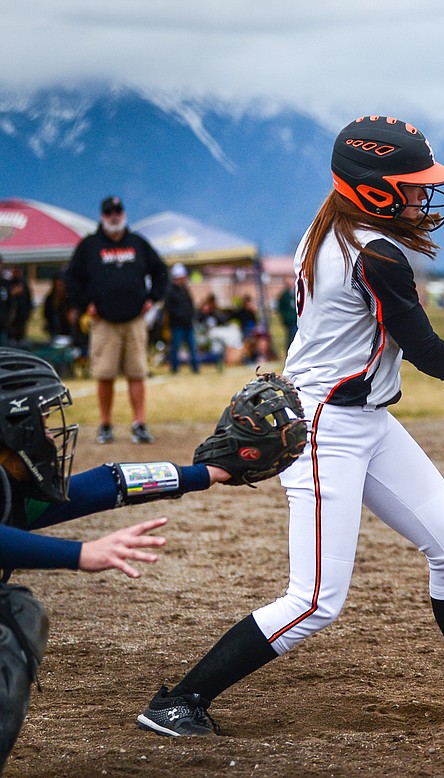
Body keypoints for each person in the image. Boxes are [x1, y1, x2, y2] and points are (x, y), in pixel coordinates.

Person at [136, 114, 444, 738]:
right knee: (314, 600)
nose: (421, 195)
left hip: (367, 419)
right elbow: (426, 350)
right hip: (325, 427)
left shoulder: (326, 224)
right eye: (410, 184)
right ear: (373, 189)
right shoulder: (376, 253)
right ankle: (180, 700)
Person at [0, 347, 235, 770]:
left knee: (15, 610)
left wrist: (203, 475)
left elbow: (98, 487)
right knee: (13, 619)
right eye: (40, 422)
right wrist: (81, 554)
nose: (52, 435)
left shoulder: (4, 486)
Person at [63, 196, 169, 445]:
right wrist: (84, 303)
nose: (114, 216)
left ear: (124, 214)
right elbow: (70, 278)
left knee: (137, 372)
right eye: (109, 212)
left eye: (118, 211)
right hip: (104, 321)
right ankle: (105, 424)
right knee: (105, 373)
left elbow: (161, 271)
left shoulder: (138, 243)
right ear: (102, 216)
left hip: (134, 320)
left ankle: (139, 424)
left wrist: (153, 298)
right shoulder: (89, 245)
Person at [163, 263, 200, 374]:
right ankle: (174, 368)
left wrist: (191, 315)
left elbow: (190, 304)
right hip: (177, 325)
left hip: (188, 324)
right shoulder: (170, 291)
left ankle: (195, 368)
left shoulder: (185, 289)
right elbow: (168, 308)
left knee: (193, 347)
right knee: (176, 348)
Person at [276, 280, 298, 355]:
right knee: (291, 337)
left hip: (298, 320)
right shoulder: (284, 296)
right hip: (290, 322)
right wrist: (286, 318)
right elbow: (281, 308)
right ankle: (290, 354)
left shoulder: (297, 292)